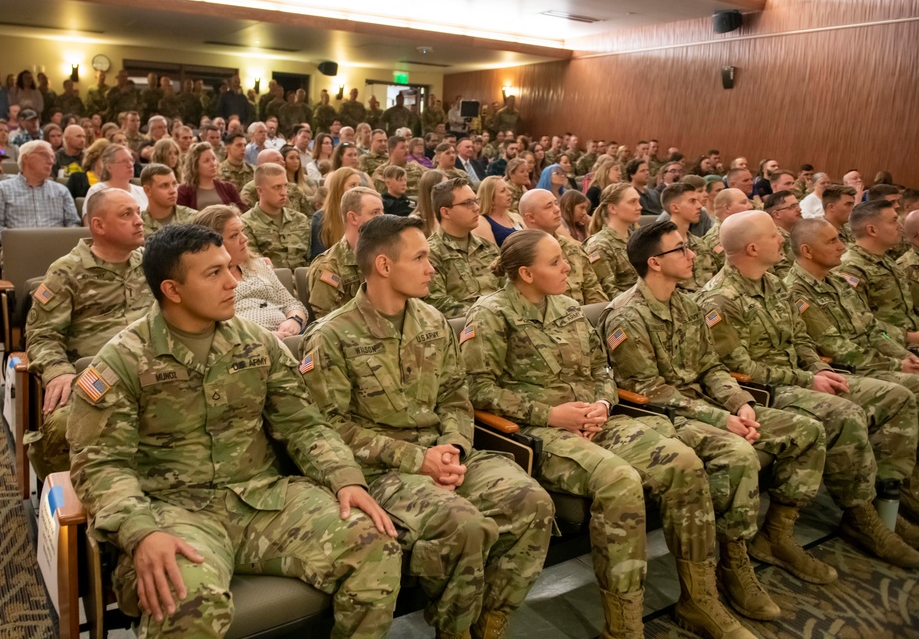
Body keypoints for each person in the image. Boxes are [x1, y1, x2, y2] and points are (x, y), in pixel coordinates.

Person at [66, 223, 402, 638]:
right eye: (214, 274)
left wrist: (345, 479)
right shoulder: (122, 360)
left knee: (375, 543)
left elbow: (303, 424)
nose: (233, 283)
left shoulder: (256, 343)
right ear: (172, 290)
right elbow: (99, 463)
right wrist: (141, 531)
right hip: (175, 510)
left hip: (261, 498)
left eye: (229, 267)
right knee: (184, 600)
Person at [462, 229, 756, 638]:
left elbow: (603, 371)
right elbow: (476, 389)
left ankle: (700, 599)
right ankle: (624, 626)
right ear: (526, 274)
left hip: (597, 420)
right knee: (620, 482)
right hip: (538, 433)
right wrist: (550, 413)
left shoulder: (567, 307)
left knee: (684, 463)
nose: (568, 267)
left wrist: (601, 404)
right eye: (555, 262)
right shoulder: (491, 313)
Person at [301, 215, 553, 639]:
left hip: (444, 452)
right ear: (384, 265)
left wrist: (452, 446)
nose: (430, 267)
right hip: (383, 472)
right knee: (465, 525)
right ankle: (454, 631)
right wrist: (419, 460)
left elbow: (456, 396)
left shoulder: (433, 322)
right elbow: (329, 428)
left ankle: (488, 623)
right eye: (419, 258)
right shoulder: (332, 336)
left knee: (532, 503)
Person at [603, 221, 835, 605]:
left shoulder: (687, 303)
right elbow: (649, 391)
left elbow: (711, 366)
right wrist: (720, 419)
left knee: (807, 430)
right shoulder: (627, 316)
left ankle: (777, 536)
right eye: (680, 250)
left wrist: (739, 402)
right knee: (739, 454)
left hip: (708, 407)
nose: (692, 255)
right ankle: (732, 562)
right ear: (655, 263)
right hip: (665, 418)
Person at [697, 210, 919, 567]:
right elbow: (742, 368)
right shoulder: (718, 300)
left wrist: (818, 368)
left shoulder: (772, 283)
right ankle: (855, 516)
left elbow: (801, 340)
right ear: (753, 248)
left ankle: (890, 495)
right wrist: (807, 378)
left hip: (799, 376)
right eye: (773, 235)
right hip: (766, 389)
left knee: (897, 395)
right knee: (844, 413)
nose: (782, 238)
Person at [785, 217, 919, 544]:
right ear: (807, 250)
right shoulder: (796, 290)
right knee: (904, 393)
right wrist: (893, 362)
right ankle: (887, 493)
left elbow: (874, 327)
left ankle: (904, 485)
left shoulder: (838, 280)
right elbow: (833, 346)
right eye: (832, 241)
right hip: (846, 368)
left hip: (871, 361)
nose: (842, 246)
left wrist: (904, 354)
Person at [24, 188, 152, 479]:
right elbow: (42, 334)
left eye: (138, 213)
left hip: (155, 369)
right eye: (126, 214)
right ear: (99, 225)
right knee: (63, 426)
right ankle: (70, 507)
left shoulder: (150, 264)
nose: (138, 221)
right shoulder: (66, 272)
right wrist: (57, 371)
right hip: (94, 376)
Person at [192, 205, 307, 336]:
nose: (244, 238)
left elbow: (291, 304)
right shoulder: (206, 280)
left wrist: (294, 320)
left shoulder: (258, 266)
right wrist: (265, 338)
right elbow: (212, 327)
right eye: (234, 235)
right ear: (212, 244)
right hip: (245, 346)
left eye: (243, 231)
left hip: (290, 336)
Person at [426, 178, 504, 316]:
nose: (476, 208)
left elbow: (509, 285)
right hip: (465, 327)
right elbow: (436, 302)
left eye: (476, 201)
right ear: (446, 212)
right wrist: (487, 315)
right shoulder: (431, 252)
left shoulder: (487, 246)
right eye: (467, 203)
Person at [839, 200, 919, 336]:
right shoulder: (851, 268)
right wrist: (910, 337)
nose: (900, 226)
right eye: (894, 221)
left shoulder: (885, 259)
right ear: (872, 230)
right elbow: (859, 323)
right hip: (890, 347)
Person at [307, 187, 385, 319]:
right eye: (375, 212)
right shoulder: (328, 267)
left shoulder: (385, 257)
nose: (382, 218)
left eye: (382, 211)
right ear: (353, 218)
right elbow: (328, 323)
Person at [520, 189, 607, 305]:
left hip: (584, 317)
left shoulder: (572, 246)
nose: (557, 210)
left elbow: (592, 289)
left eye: (556, 203)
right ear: (530, 218)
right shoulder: (520, 253)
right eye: (548, 207)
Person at [0, 141, 80, 242]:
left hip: (57, 247)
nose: (50, 161)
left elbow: (73, 223)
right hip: (19, 247)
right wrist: (20, 240)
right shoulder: (2, 189)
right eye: (44, 155)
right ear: (25, 158)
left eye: (52, 158)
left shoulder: (61, 191)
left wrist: (63, 240)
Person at [240, 163, 311, 269]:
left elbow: (311, 260)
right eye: (277, 187)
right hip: (270, 282)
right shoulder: (246, 223)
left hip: (303, 282)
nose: (284, 192)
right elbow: (254, 265)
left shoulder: (300, 219)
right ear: (260, 190)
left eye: (285, 185)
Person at [585, 183, 641, 298]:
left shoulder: (638, 239)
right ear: (612, 208)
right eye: (632, 202)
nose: (639, 207)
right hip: (627, 310)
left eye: (638, 201)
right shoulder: (600, 245)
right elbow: (609, 294)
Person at [177, 141, 245, 211]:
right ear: (195, 166)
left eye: (214, 159)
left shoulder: (228, 188)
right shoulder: (184, 191)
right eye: (206, 161)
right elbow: (181, 217)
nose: (213, 164)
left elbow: (242, 212)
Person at [312, 166, 363, 258]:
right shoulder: (320, 218)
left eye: (359, 185)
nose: (357, 189)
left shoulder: (363, 215)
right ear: (339, 188)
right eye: (352, 185)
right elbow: (319, 257)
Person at [84, 144, 149, 212]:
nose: (130, 165)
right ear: (109, 167)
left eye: (131, 160)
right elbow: (89, 220)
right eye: (124, 161)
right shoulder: (97, 190)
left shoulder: (142, 191)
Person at [140, 163, 197, 238]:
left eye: (174, 184)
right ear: (147, 190)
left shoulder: (194, 218)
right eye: (164, 186)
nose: (173, 191)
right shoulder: (138, 225)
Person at [473, 175, 524, 247]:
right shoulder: (482, 222)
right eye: (503, 191)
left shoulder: (516, 217)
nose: (509, 193)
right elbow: (492, 254)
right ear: (491, 198)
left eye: (508, 189)